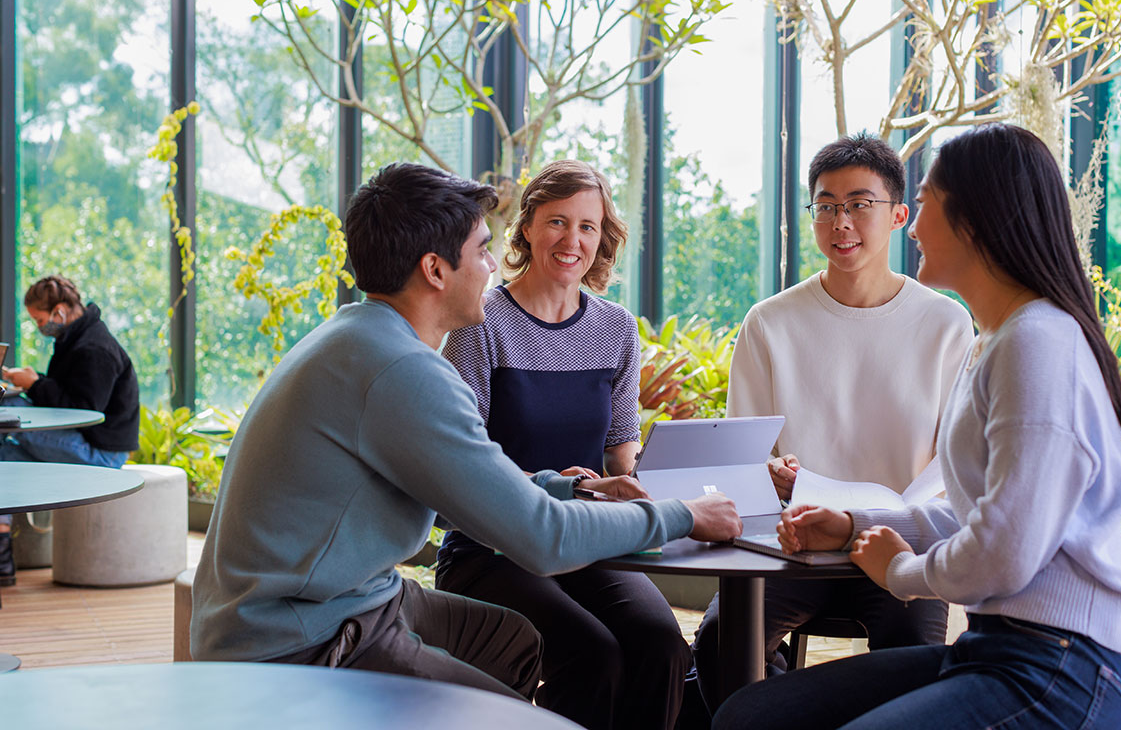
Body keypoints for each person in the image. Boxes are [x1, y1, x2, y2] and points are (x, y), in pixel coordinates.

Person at [189, 162, 742, 701]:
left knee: (519, 646)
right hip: (303, 637)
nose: (494, 267)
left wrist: (572, 487)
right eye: (482, 250)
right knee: (516, 709)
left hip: (355, 597)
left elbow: (465, 484)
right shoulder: (403, 373)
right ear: (435, 270)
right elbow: (542, 539)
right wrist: (686, 515)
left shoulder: (361, 337)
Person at [713, 123, 1121, 730]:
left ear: (977, 218)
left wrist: (900, 570)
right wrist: (854, 524)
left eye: (923, 205)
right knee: (751, 715)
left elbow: (1004, 551)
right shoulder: (999, 340)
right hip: (996, 649)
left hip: (1061, 669)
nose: (913, 227)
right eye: (830, 207)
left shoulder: (1037, 343)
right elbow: (980, 516)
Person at [690, 133, 974, 712]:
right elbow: (744, 453)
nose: (841, 221)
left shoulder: (947, 323)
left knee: (912, 673)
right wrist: (767, 475)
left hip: (900, 541)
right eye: (826, 206)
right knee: (719, 645)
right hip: (790, 545)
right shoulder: (770, 322)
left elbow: (953, 464)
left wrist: (883, 524)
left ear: (898, 215)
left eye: (859, 204)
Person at [436, 160, 689, 730]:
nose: (572, 240)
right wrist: (570, 488)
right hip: (492, 548)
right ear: (526, 228)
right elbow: (461, 468)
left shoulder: (617, 328)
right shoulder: (481, 322)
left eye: (588, 226)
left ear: (603, 238)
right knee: (592, 653)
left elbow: (621, 457)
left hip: (586, 541)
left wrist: (640, 487)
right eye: (557, 221)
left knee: (664, 645)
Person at [0, 275, 139, 587]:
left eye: (39, 319)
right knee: (4, 458)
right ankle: (3, 557)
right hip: (82, 442)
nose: (38, 326)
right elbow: (69, 391)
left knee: (12, 412)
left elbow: (82, 410)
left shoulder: (95, 348)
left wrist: (34, 385)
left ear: (59, 311)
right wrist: (34, 380)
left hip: (101, 453)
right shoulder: (76, 338)